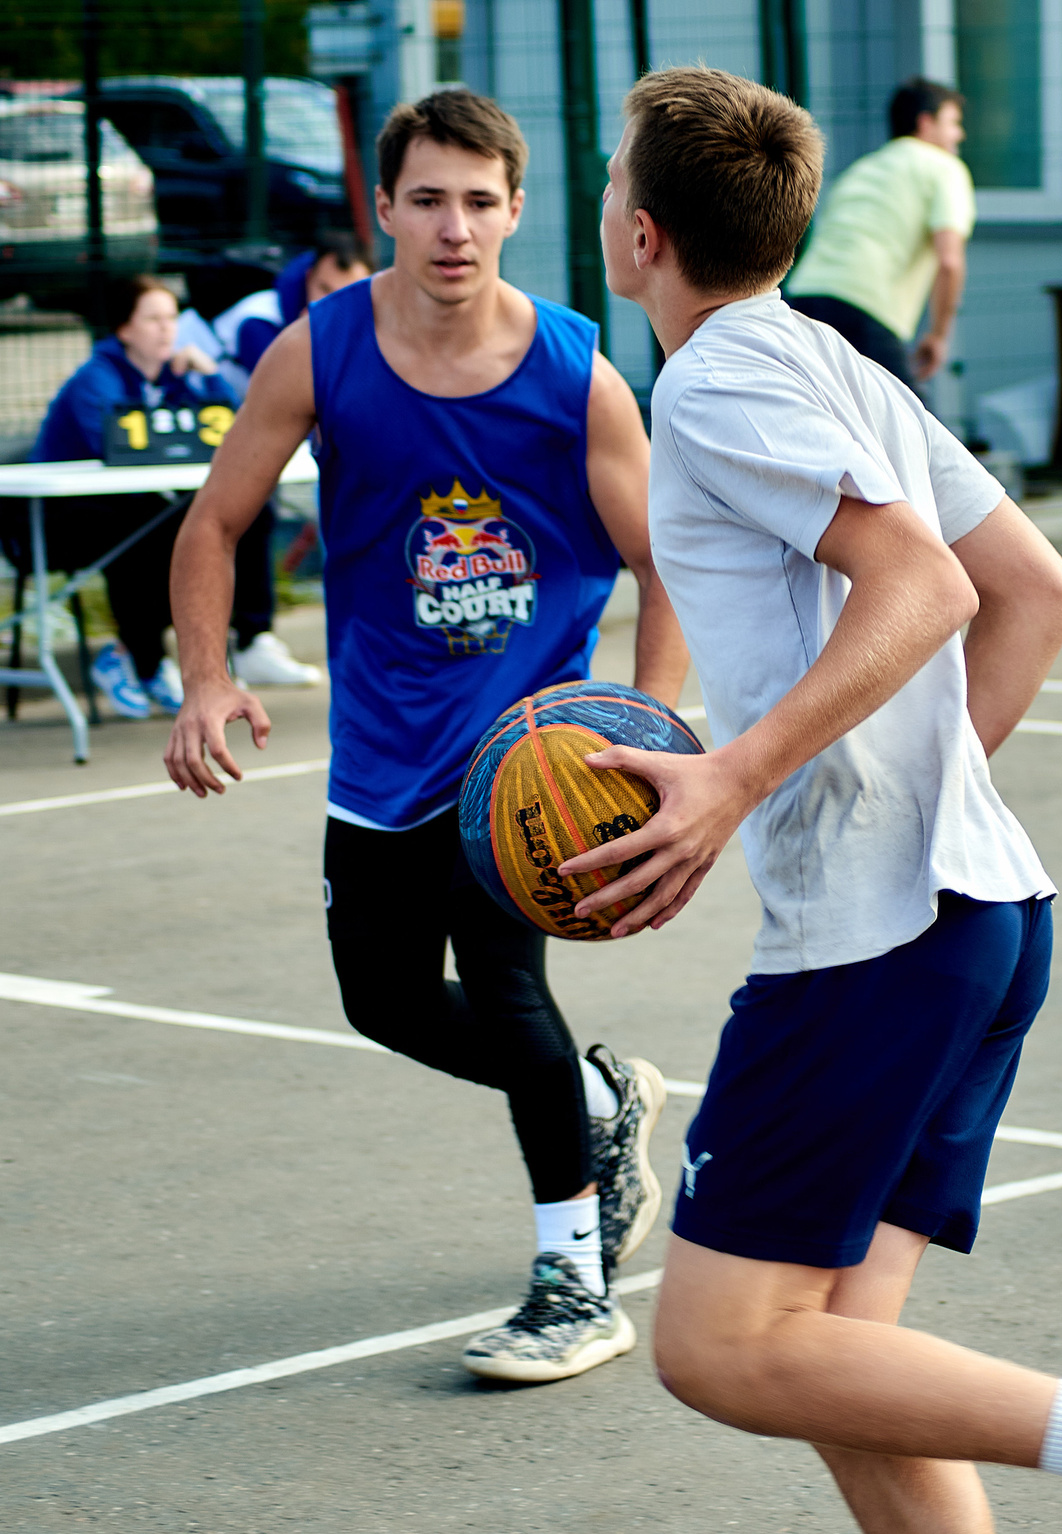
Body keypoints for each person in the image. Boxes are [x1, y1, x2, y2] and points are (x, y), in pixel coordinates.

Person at [571, 66, 1062, 1534]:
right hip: (978, 914)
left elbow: (933, 583)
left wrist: (747, 776)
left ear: (637, 230)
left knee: (717, 1344)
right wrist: (924, 781)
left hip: (881, 937)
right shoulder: (828, 355)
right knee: (846, 1362)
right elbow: (1042, 589)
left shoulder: (717, 385)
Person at [160, 90, 691, 1383]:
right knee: (381, 1000)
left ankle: (575, 1281)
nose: (454, 227)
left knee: (510, 997)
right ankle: (605, 1103)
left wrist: (649, 731)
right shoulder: (320, 350)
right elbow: (215, 522)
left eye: (479, 200)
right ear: (385, 209)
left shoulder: (575, 368)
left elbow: (660, 560)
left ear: (515, 210)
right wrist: (205, 679)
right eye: (428, 199)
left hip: (524, 758)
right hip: (381, 752)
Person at [31, 275, 319, 715]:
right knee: (156, 530)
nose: (167, 330)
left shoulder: (177, 376)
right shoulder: (97, 378)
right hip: (67, 516)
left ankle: (250, 637)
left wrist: (209, 377)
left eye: (171, 318)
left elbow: (229, 430)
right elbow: (118, 445)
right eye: (153, 320)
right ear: (125, 328)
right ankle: (135, 657)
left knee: (248, 511)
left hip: (135, 507)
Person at [782, 77, 973, 391]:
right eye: (953, 123)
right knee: (911, 429)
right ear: (926, 123)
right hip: (867, 308)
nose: (959, 134)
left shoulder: (860, 170)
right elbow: (949, 261)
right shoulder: (945, 168)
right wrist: (938, 335)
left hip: (802, 300)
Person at [211, 228, 375, 392]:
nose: (332, 304)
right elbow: (290, 399)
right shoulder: (259, 322)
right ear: (309, 277)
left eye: (345, 295)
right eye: (325, 289)